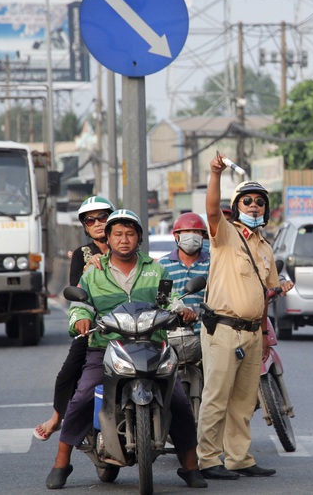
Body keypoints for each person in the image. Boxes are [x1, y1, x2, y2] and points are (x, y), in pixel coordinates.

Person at [45, 209, 207, 490]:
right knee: (83, 396)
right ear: (107, 238)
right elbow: (80, 305)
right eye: (117, 234)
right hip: (106, 346)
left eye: (130, 234)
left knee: (179, 401)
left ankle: (191, 466)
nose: (124, 240)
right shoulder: (94, 273)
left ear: (139, 238)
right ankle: (61, 462)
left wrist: (182, 312)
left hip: (153, 344)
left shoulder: (155, 270)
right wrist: (80, 319)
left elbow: (169, 300)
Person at [196, 155, 282, 480]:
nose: (255, 205)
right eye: (247, 200)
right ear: (237, 206)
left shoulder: (265, 248)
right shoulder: (226, 235)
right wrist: (215, 174)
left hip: (252, 333)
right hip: (223, 329)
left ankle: (239, 458)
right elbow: (211, 210)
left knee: (244, 401)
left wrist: (263, 334)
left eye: (260, 202)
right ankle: (207, 459)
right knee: (216, 397)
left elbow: (266, 296)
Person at [33, 196, 115, 442]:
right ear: (85, 226)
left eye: (103, 217)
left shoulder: (126, 247)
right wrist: (91, 267)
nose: (98, 223)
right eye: (91, 220)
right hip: (95, 326)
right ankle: (58, 419)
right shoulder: (82, 254)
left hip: (130, 325)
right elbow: (76, 292)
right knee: (69, 370)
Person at [157, 212, 211, 322]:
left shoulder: (212, 264)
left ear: (202, 236)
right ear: (176, 236)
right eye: (186, 231)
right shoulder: (162, 265)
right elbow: (161, 301)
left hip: (204, 331)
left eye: (196, 232)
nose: (191, 235)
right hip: (172, 332)